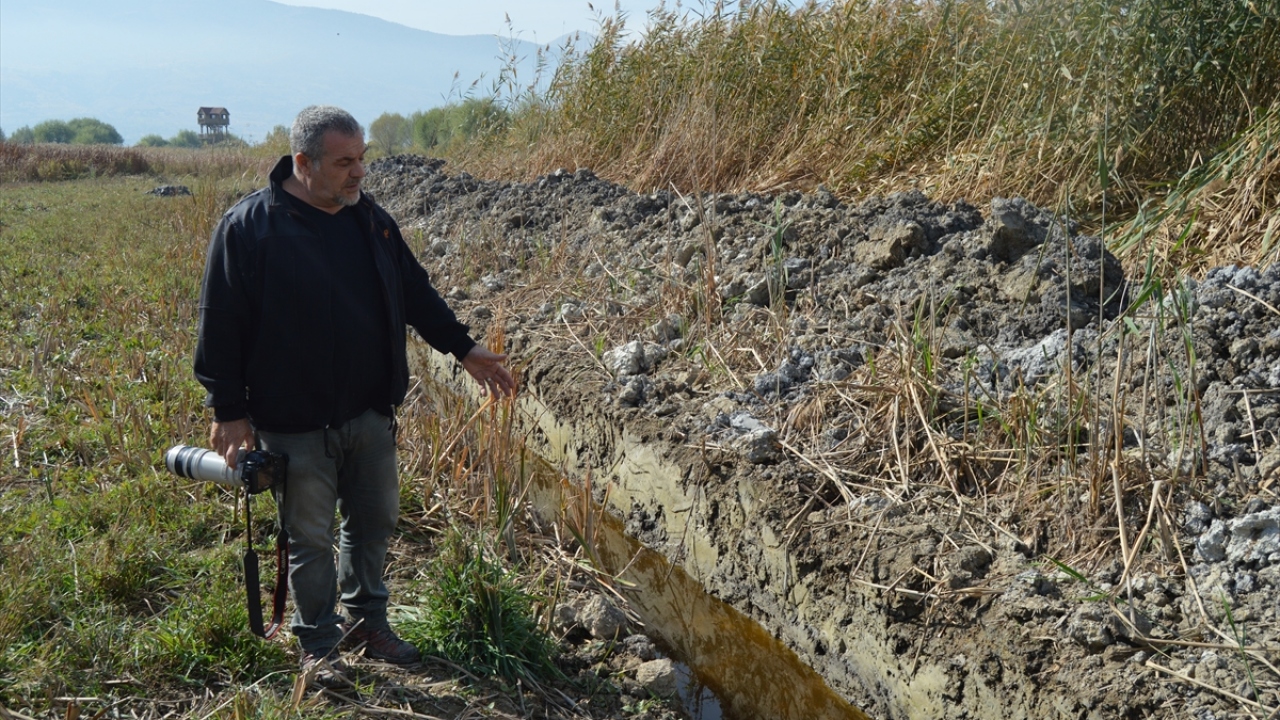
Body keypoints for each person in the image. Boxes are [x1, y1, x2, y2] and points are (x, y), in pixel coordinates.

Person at [194, 105, 515, 684]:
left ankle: (367, 619)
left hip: (369, 408)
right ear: (303, 163)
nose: (359, 173)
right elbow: (220, 322)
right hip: (292, 418)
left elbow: (414, 291)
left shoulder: (369, 220)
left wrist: (464, 349)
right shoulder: (249, 229)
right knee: (309, 536)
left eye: (362, 159)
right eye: (345, 163)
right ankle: (317, 642)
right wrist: (229, 411)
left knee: (373, 519)